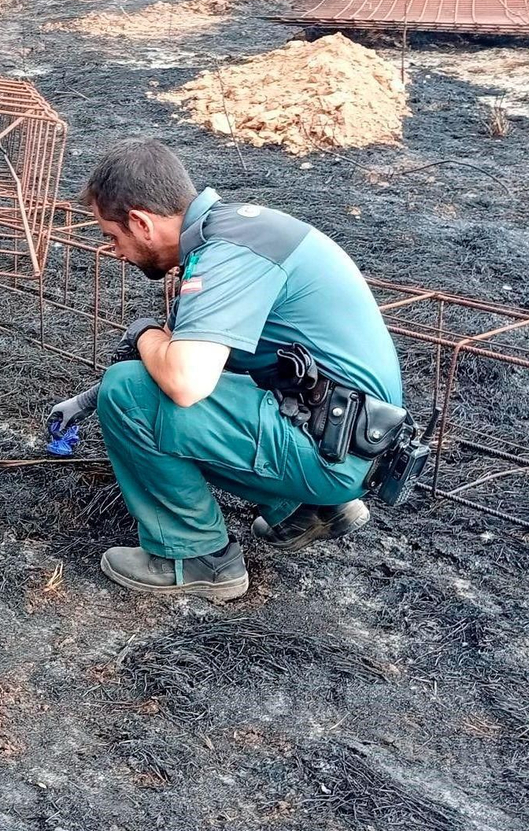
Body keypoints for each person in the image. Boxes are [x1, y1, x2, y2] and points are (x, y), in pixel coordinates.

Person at [49, 137, 406, 601]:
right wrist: (84, 402)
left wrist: (142, 333)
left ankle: (194, 557)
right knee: (158, 382)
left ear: (140, 222)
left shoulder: (228, 256)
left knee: (128, 390)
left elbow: (184, 380)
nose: (113, 250)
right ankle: (310, 507)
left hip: (335, 452)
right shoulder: (235, 233)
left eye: (111, 237)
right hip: (348, 437)